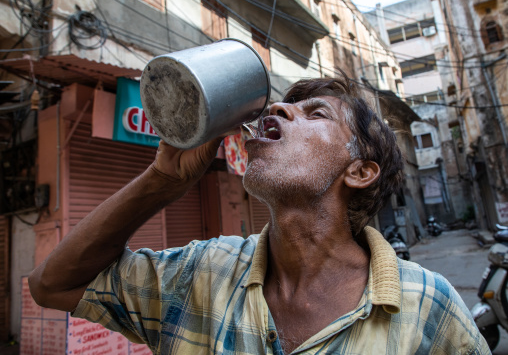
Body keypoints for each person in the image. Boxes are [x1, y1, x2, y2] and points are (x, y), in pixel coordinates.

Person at [29, 76, 489, 354]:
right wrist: (163, 180)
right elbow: (52, 285)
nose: (277, 109)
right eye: (285, 105)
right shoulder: (200, 272)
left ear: (360, 171)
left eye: (316, 113)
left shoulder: (429, 306)